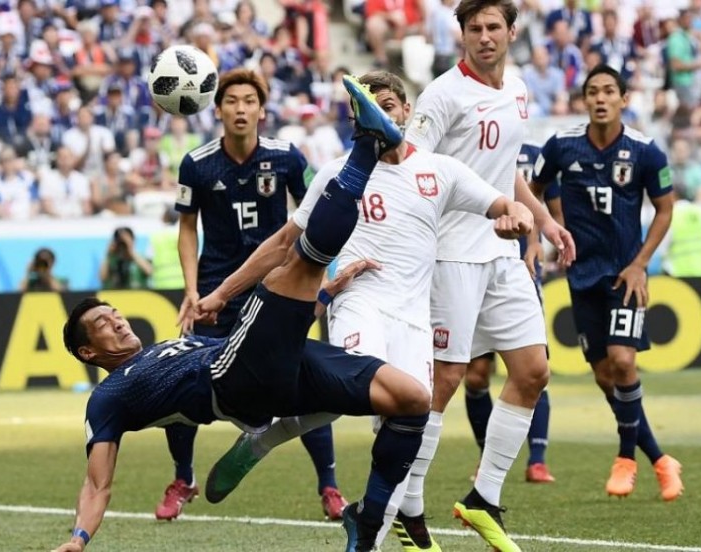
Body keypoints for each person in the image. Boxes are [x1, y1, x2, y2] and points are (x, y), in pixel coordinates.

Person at [51, 76, 431, 552]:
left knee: (412, 398)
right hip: (229, 380)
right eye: (104, 324)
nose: (119, 320)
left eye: (115, 312)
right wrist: (78, 539)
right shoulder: (107, 398)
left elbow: (276, 334)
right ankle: (367, 144)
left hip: (268, 367)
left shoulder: (166, 348)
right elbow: (97, 483)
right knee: (296, 258)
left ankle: (365, 520)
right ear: (88, 351)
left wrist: (328, 294)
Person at [194, 70, 535, 552]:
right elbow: (284, 244)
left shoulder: (441, 171)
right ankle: (269, 443)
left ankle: (361, 525)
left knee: (404, 420)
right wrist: (221, 294)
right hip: (361, 304)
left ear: (406, 112)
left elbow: (503, 203)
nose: (381, 115)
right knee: (365, 395)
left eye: (390, 106)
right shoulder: (340, 174)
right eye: (368, 108)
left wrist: (517, 218)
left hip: (415, 319)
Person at [397, 0, 576, 550]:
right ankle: (408, 507)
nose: (484, 36)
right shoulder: (442, 96)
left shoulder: (518, 89)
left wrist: (542, 219)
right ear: (462, 36)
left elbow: (507, 170)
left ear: (512, 31)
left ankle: (484, 499)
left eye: (493, 26)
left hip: (504, 252)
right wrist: (485, 211)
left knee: (532, 371)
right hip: (451, 253)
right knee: (444, 382)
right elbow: (412, 169)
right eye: (473, 28)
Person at [166, 68, 347, 522]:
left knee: (297, 379)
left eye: (249, 101)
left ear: (262, 110)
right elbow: (187, 229)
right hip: (214, 292)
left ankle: (329, 486)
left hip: (276, 289)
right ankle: (183, 478)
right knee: (184, 380)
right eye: (232, 101)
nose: (241, 109)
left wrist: (316, 277)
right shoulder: (197, 163)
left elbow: (315, 216)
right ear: (218, 108)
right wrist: (191, 289)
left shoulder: (287, 157)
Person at [530, 64, 684, 502]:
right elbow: (530, 189)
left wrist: (640, 263)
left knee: (623, 362)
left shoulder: (645, 151)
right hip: (581, 275)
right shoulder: (561, 145)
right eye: (592, 92)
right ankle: (659, 458)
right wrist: (539, 234)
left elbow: (665, 209)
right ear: (584, 100)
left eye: (608, 92)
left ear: (623, 99)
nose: (600, 99)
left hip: (624, 274)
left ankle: (625, 459)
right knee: (603, 375)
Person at [463, 141, 563, 488]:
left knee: (532, 365)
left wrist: (537, 244)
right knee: (475, 375)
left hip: (518, 270)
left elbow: (548, 205)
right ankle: (485, 454)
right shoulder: (471, 148)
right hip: (473, 266)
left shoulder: (534, 155)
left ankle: (537, 460)